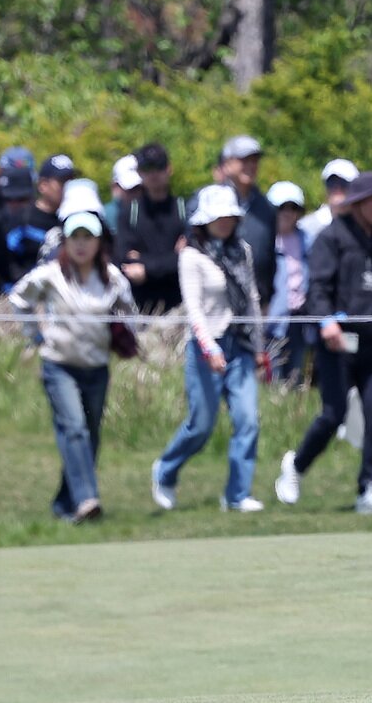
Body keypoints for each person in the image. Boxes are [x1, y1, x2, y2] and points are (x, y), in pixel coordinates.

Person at [275, 173, 372, 515]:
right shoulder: (330, 239)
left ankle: (369, 488)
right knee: (333, 414)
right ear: (358, 202)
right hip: (338, 342)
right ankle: (296, 465)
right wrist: (327, 322)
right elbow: (316, 289)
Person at [9, 210, 135, 523]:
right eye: (75, 237)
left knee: (89, 436)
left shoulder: (112, 277)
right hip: (58, 366)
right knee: (75, 428)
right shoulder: (51, 273)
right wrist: (33, 335)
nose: (81, 244)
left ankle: (64, 503)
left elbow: (131, 312)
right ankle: (88, 500)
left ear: (98, 242)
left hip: (96, 368)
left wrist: (124, 334)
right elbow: (19, 299)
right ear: (65, 242)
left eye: (87, 238)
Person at [151, 184, 267, 513]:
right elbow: (194, 310)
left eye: (230, 216)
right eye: (219, 217)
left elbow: (253, 299)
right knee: (201, 424)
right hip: (207, 347)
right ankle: (166, 469)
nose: (226, 222)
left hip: (241, 344)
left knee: (247, 420)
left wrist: (259, 344)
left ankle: (237, 494)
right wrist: (209, 348)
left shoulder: (241, 250)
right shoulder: (191, 255)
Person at [117, 143, 187, 312]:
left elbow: (189, 259)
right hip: (140, 308)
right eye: (148, 167)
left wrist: (145, 266)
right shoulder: (129, 212)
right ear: (140, 172)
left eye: (159, 166)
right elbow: (122, 259)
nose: (154, 173)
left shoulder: (184, 209)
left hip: (179, 307)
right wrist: (172, 258)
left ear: (169, 169)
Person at [0, 154, 78, 287]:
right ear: (43, 185)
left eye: (71, 181)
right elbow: (5, 264)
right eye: (62, 181)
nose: (68, 187)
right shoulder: (22, 220)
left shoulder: (75, 220)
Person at [217, 135, 276, 308]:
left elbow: (270, 258)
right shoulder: (208, 203)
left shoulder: (266, 208)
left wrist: (266, 299)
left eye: (255, 160)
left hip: (256, 303)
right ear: (227, 164)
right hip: (218, 304)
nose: (251, 166)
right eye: (244, 160)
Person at [265, 181, 311, 386]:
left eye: (293, 208)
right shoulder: (264, 240)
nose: (287, 213)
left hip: (298, 318)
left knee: (295, 377)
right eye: (281, 208)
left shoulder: (306, 239)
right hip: (270, 320)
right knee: (271, 377)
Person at [299, 158, 358, 241]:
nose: (337, 188)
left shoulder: (364, 226)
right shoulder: (306, 228)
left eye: (343, 183)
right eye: (332, 183)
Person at [103, 154, 142, 236]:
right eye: (131, 190)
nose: (137, 194)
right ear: (115, 187)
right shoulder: (106, 216)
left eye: (140, 188)